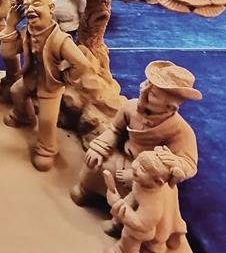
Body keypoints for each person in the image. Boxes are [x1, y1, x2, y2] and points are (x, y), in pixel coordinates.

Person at [71, 60, 200, 213]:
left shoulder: (180, 130)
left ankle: (123, 218)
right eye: (146, 85)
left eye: (153, 94)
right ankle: (86, 190)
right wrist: (100, 147)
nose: (143, 91)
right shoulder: (130, 107)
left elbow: (189, 163)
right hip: (121, 158)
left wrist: (173, 165)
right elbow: (114, 129)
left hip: (146, 172)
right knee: (96, 163)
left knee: (147, 197)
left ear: (170, 107)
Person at [0, 0, 93, 171]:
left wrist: (65, 78)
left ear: (51, 9)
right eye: (26, 6)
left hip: (50, 86)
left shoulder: (61, 40)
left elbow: (82, 65)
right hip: (31, 79)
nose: (30, 9)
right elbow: (7, 53)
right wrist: (10, 26)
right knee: (16, 92)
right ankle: (24, 115)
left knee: (47, 121)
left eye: (36, 4)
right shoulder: (26, 32)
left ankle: (47, 149)